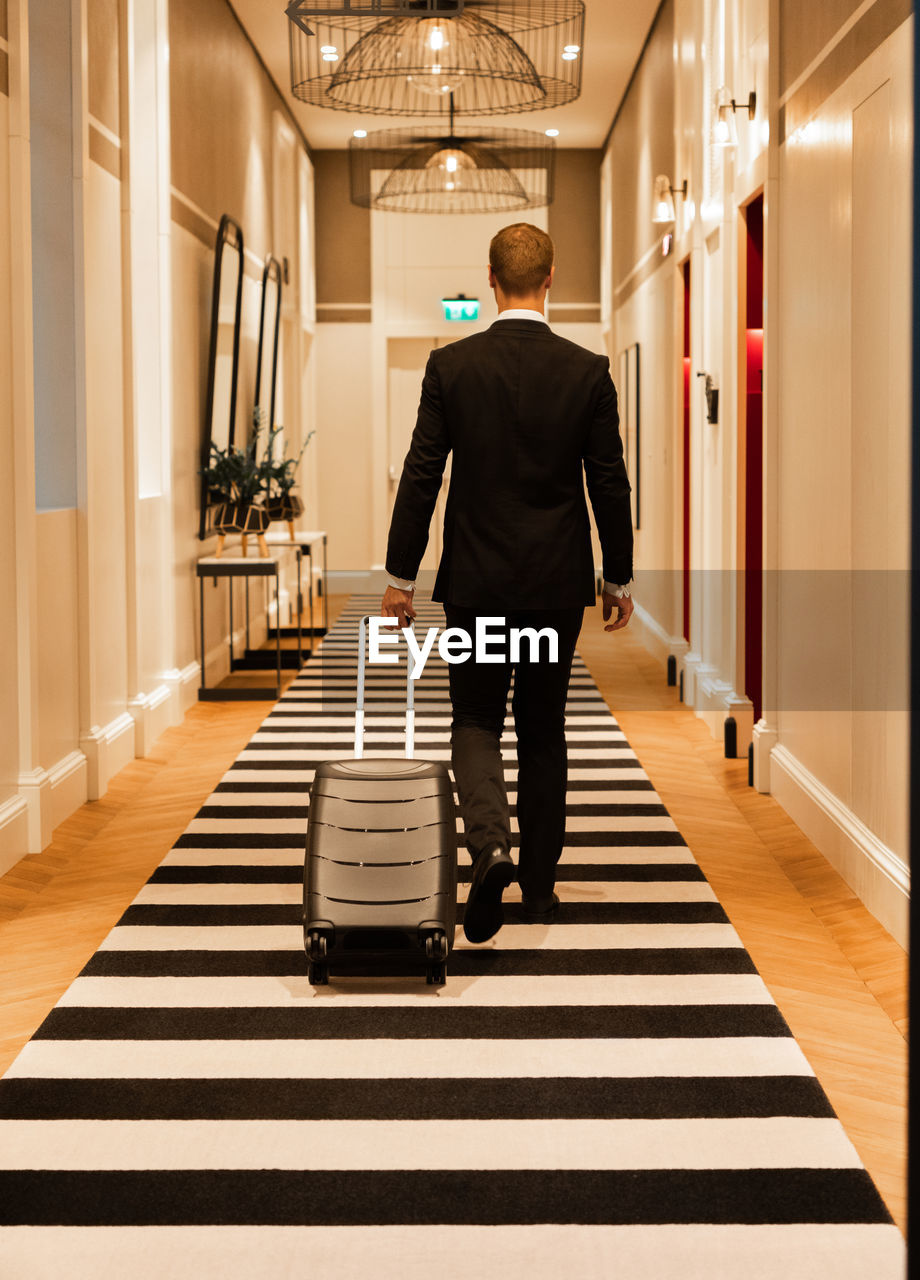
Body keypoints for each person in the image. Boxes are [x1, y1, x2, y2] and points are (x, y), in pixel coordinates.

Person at [381, 222, 634, 943]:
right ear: (551, 278)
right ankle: (541, 889)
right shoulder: (587, 372)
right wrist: (616, 576)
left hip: (478, 582)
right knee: (543, 728)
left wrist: (401, 577)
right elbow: (608, 484)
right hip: (555, 587)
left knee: (476, 718)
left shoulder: (452, 367)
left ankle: (490, 847)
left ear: (490, 279)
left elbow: (422, 472)